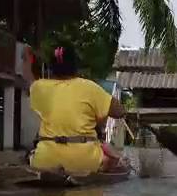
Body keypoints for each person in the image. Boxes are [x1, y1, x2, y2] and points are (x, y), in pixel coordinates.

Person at [22, 42, 127, 176]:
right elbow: (119, 112)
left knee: (30, 157)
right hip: (85, 160)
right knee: (112, 161)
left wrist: (26, 58)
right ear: (75, 67)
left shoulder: (39, 88)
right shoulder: (90, 87)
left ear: (52, 68)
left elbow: (27, 78)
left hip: (46, 160)